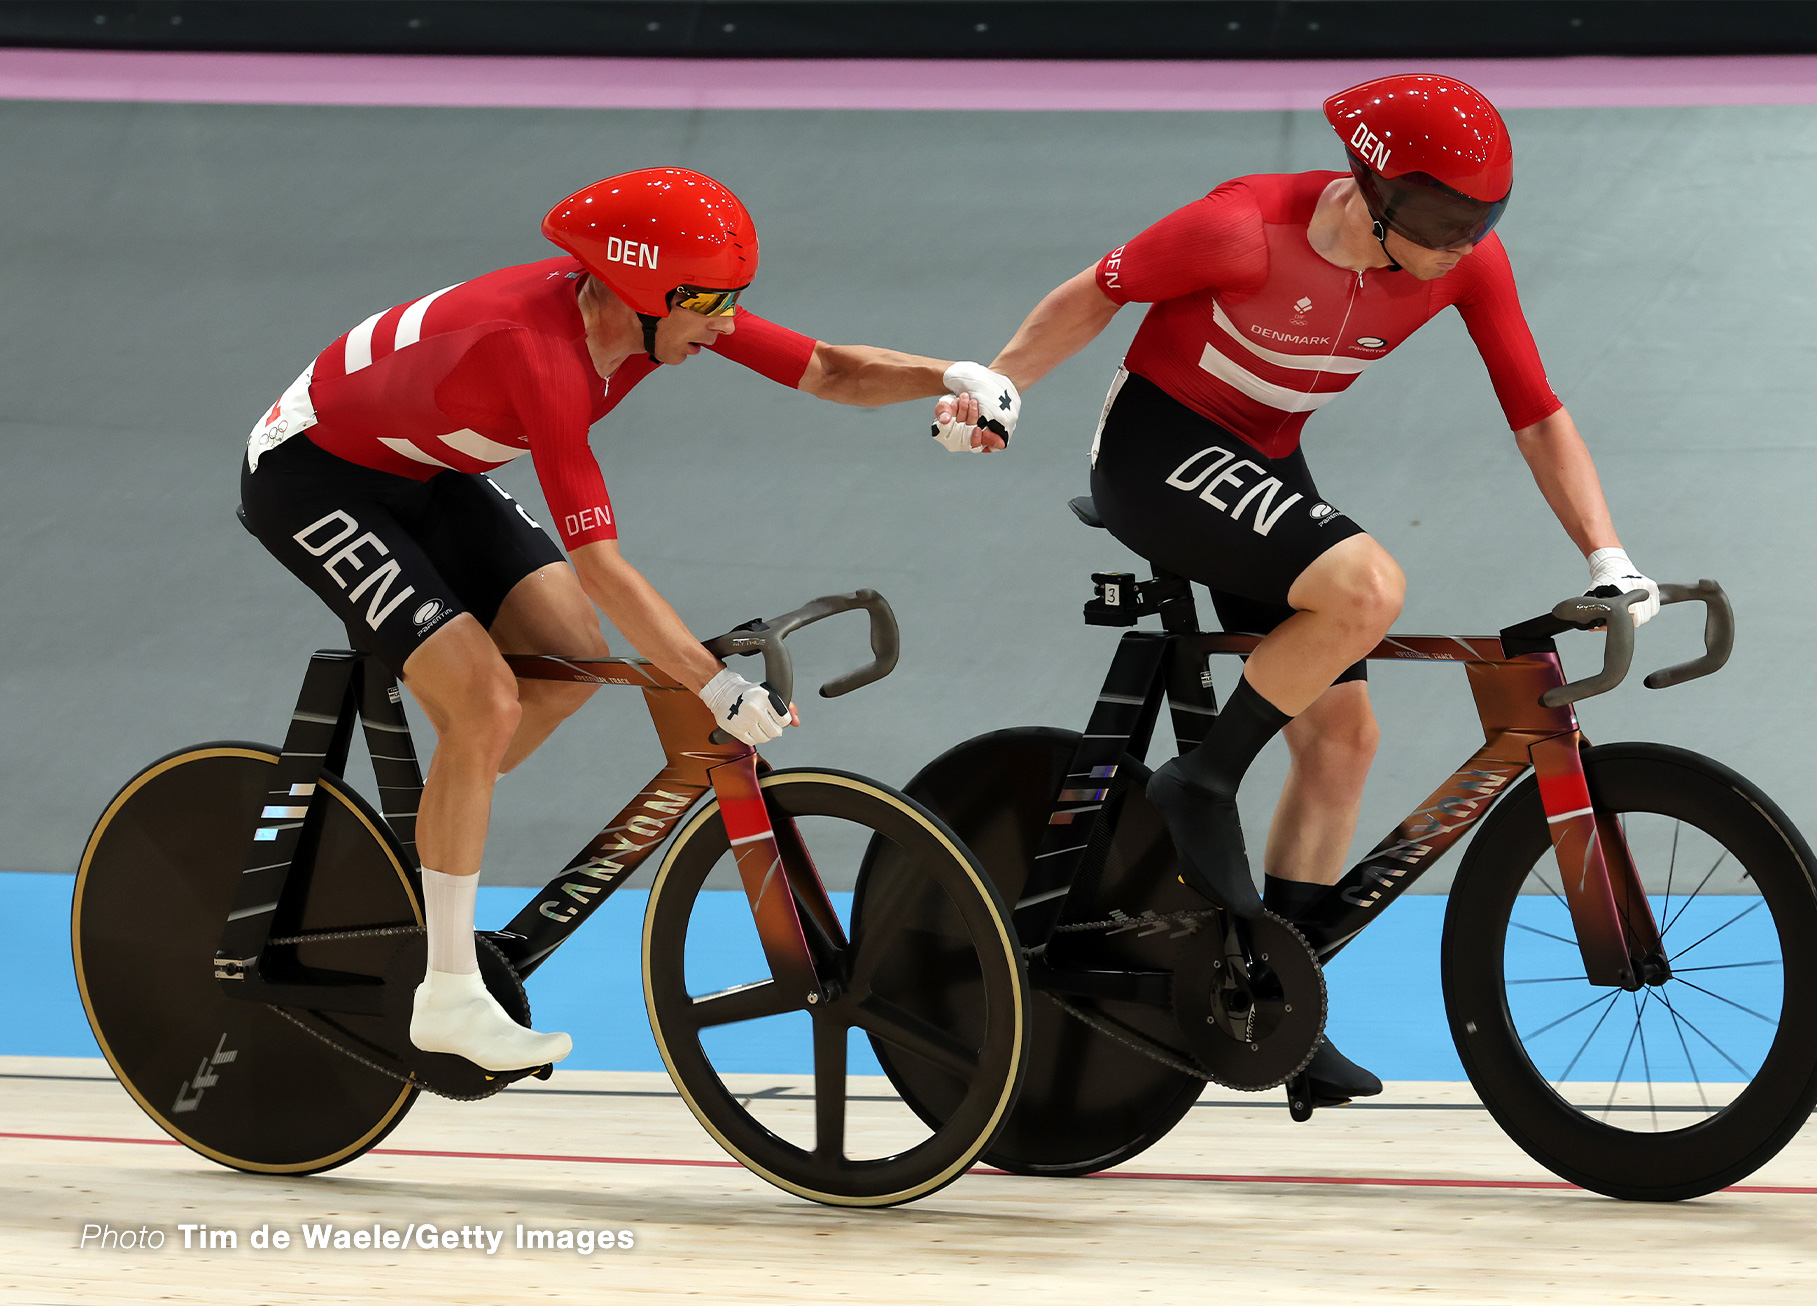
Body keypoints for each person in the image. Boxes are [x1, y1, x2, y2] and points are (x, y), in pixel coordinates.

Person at [944, 74, 1661, 1117]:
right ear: (1369, 191)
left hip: (1264, 464)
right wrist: (1000, 384)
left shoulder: (1465, 265)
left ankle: (1273, 995)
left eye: (1481, 222)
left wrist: (1608, 552)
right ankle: (1200, 781)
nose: (1457, 243)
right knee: (1368, 583)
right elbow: (1095, 291)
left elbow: (1536, 413)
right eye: (1436, 219)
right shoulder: (1238, 228)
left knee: (1343, 741)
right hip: (1156, 452)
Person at [240, 167, 1021, 1072]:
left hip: (425, 462)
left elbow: (828, 369)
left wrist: (957, 373)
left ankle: (410, 852)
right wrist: (715, 684)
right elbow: (603, 565)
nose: (725, 324)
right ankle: (447, 994)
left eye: (735, 301)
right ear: (639, 293)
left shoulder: (656, 318)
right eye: (707, 305)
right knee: (486, 702)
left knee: (571, 656)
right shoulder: (541, 356)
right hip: (315, 476)